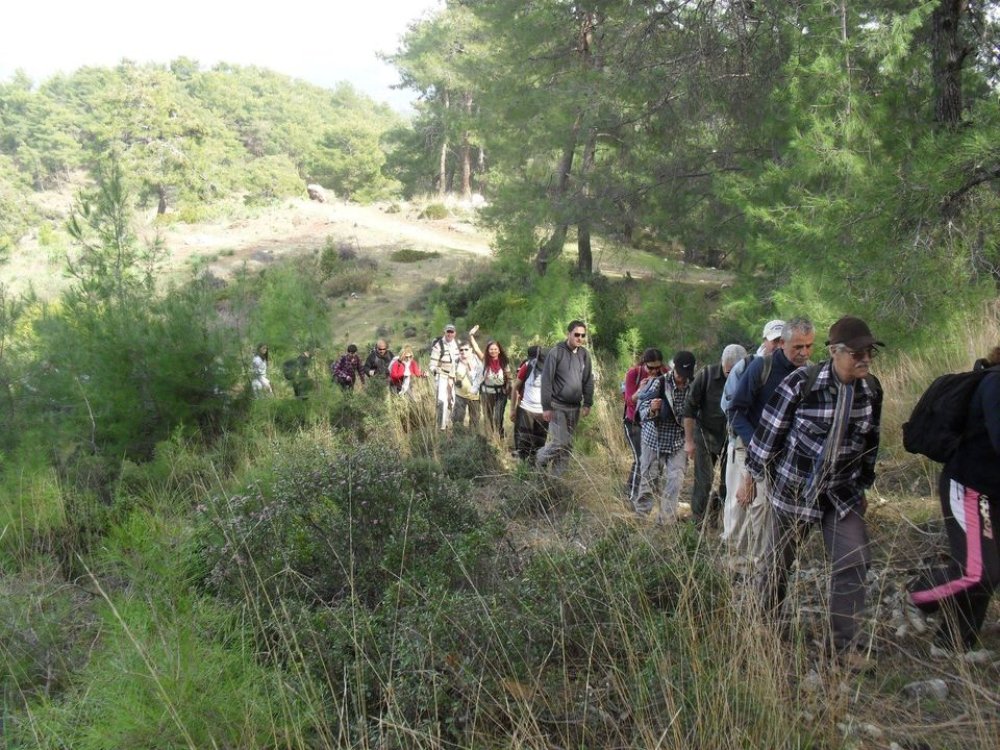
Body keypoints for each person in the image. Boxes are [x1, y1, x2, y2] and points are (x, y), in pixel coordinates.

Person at [741, 316, 883, 669]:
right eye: (856, 353)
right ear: (834, 352)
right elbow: (768, 434)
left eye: (869, 352)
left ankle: (844, 645)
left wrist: (863, 485)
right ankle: (764, 625)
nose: (864, 358)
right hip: (794, 493)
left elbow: (870, 443)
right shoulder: (800, 384)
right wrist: (751, 476)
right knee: (777, 564)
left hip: (842, 494)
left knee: (854, 562)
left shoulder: (871, 391)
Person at [908, 348, 1000, 656]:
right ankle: (918, 595)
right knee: (977, 571)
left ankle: (953, 642)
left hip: (994, 490)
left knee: (991, 569)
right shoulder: (995, 384)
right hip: (969, 486)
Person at [728, 318, 815, 567]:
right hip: (754, 447)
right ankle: (753, 560)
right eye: (798, 346)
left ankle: (775, 558)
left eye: (809, 346)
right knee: (756, 506)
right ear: (782, 343)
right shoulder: (761, 368)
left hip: (791, 456)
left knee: (786, 507)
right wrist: (757, 443)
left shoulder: (811, 374)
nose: (804, 353)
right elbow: (735, 410)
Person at [635, 351, 695, 523]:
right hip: (654, 440)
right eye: (680, 374)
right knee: (648, 480)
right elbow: (641, 413)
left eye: (686, 375)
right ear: (673, 369)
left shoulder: (693, 385)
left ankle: (666, 522)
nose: (683, 379)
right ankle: (640, 518)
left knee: (675, 481)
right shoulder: (658, 384)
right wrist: (653, 409)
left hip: (678, 442)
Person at [683, 345, 737, 530]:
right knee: (703, 481)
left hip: (731, 439)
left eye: (736, 372)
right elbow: (689, 409)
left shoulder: (746, 375)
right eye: (728, 371)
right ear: (722, 364)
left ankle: (715, 512)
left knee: (728, 483)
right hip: (705, 435)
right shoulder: (706, 375)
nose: (732, 376)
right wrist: (689, 441)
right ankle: (696, 524)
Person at [537, 320, 595, 476]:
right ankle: (539, 458)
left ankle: (557, 480)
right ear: (568, 334)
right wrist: (546, 407)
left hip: (575, 407)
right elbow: (546, 380)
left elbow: (588, 379)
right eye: (576, 334)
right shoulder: (556, 352)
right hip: (557, 407)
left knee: (567, 446)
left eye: (583, 335)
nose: (580, 338)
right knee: (559, 442)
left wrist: (588, 402)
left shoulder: (584, 354)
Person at [624, 349, 666, 506]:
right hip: (634, 422)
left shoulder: (665, 373)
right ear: (644, 364)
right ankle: (633, 497)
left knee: (656, 461)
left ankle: (646, 491)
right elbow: (629, 401)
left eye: (658, 367)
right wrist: (640, 390)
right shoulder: (633, 374)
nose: (655, 371)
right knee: (641, 459)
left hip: (653, 423)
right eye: (651, 368)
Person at [510, 346, 548, 462]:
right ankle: (522, 471)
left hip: (543, 412)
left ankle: (535, 469)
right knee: (524, 442)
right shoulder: (528, 366)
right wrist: (512, 409)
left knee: (540, 443)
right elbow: (515, 386)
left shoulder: (553, 369)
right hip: (526, 409)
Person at [474, 335, 513, 438]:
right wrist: (471, 336)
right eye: (491, 349)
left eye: (495, 349)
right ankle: (490, 438)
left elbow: (509, 378)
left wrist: (509, 390)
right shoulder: (485, 360)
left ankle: (500, 435)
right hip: (487, 393)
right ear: (488, 350)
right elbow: (476, 349)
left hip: (501, 393)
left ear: (499, 350)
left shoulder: (504, 362)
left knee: (498, 417)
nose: (493, 351)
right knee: (488, 416)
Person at [429, 323, 461, 429]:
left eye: (452, 332)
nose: (450, 334)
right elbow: (432, 365)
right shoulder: (438, 346)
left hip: (455, 377)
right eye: (448, 332)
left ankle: (449, 425)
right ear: (444, 332)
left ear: (455, 333)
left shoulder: (457, 344)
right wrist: (438, 370)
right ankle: (441, 427)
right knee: (442, 401)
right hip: (442, 377)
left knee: (453, 401)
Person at [452, 339, 484, 428]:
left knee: (475, 421)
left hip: (475, 396)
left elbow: (482, 377)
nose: (463, 351)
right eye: (461, 350)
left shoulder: (477, 361)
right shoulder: (456, 361)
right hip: (459, 395)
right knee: (457, 420)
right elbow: (451, 378)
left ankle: (473, 439)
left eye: (466, 349)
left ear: (471, 350)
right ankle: (458, 437)